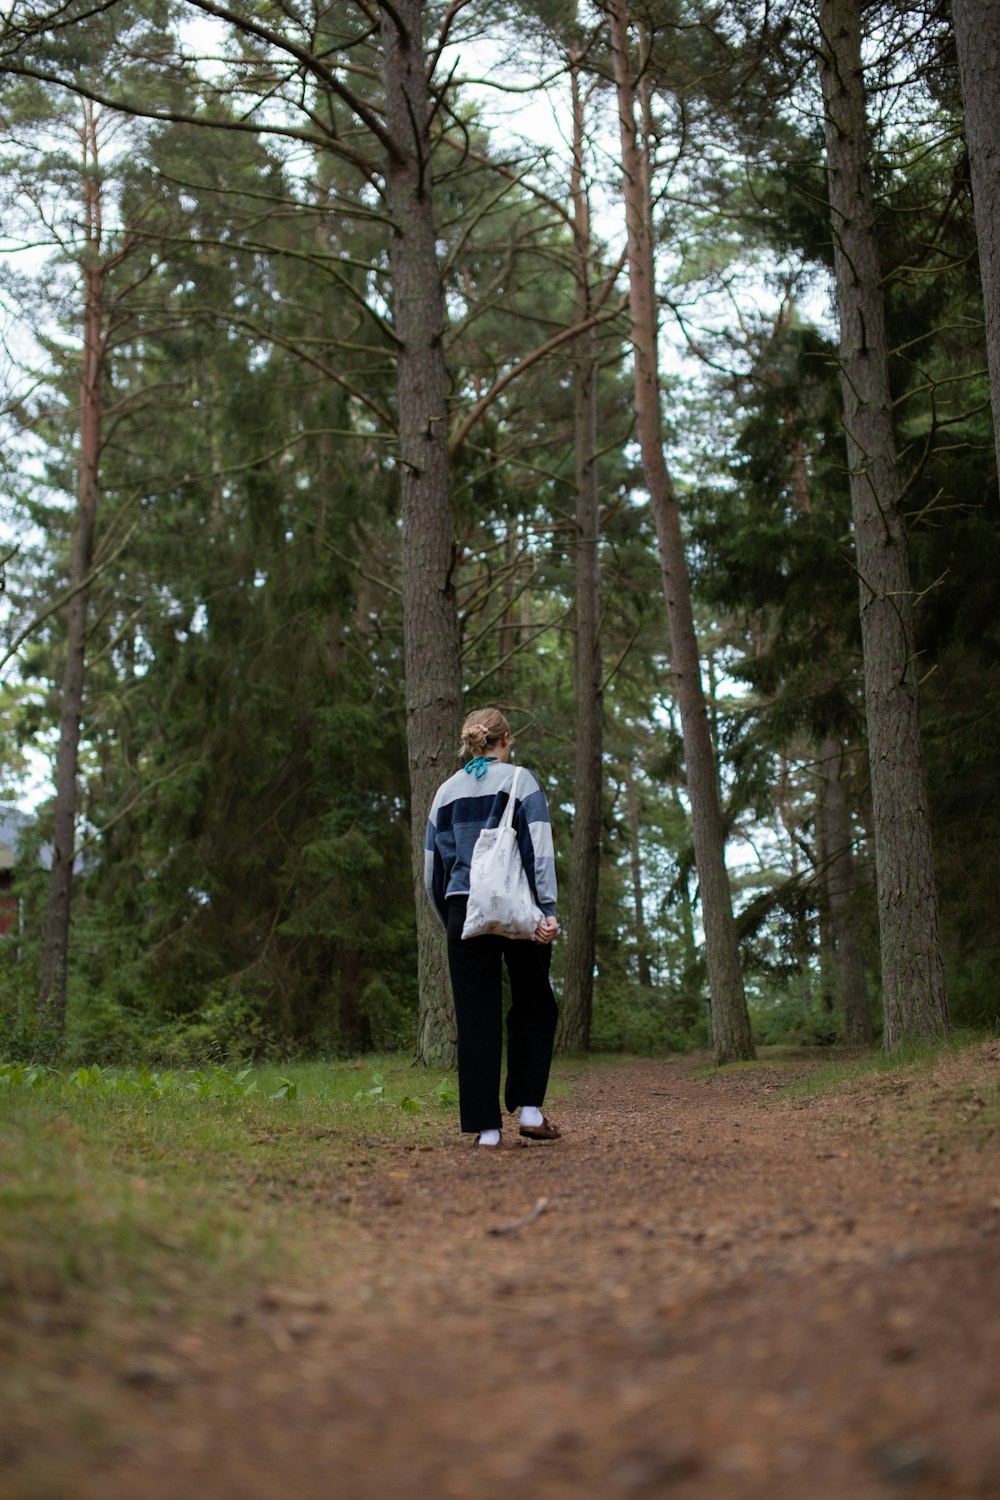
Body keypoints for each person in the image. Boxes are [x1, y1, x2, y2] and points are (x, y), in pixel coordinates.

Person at [424, 707, 561, 1148]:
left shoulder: (445, 792)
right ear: (506, 741)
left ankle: (486, 1131)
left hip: (464, 911)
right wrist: (548, 909)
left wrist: (451, 918)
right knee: (534, 1003)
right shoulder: (522, 781)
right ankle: (531, 1110)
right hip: (518, 907)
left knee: (476, 1017)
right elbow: (537, 848)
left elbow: (433, 870)